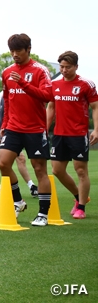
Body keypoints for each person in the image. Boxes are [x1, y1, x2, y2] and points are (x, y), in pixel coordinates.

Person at [0, 33, 52, 226]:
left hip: (35, 128)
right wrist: (4, 124)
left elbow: (47, 95)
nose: (14, 54)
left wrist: (23, 83)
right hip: (13, 127)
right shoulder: (7, 72)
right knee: (3, 163)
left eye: (18, 50)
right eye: (12, 51)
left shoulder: (40, 71)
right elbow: (7, 100)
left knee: (39, 169)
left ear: (28, 49)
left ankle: (43, 214)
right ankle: (18, 201)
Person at [45, 51, 98, 219]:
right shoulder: (54, 84)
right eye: (61, 66)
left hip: (78, 134)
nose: (64, 70)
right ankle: (78, 197)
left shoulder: (86, 84)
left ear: (76, 66)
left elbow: (95, 107)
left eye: (68, 67)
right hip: (59, 134)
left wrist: (96, 129)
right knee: (57, 170)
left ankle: (81, 207)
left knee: (80, 170)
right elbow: (51, 107)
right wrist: (45, 128)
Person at [0, 91, 38, 197]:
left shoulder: (23, 91)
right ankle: (25, 187)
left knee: (17, 159)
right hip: (9, 132)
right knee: (13, 160)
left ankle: (5, 185)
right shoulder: (2, 95)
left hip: (21, 130)